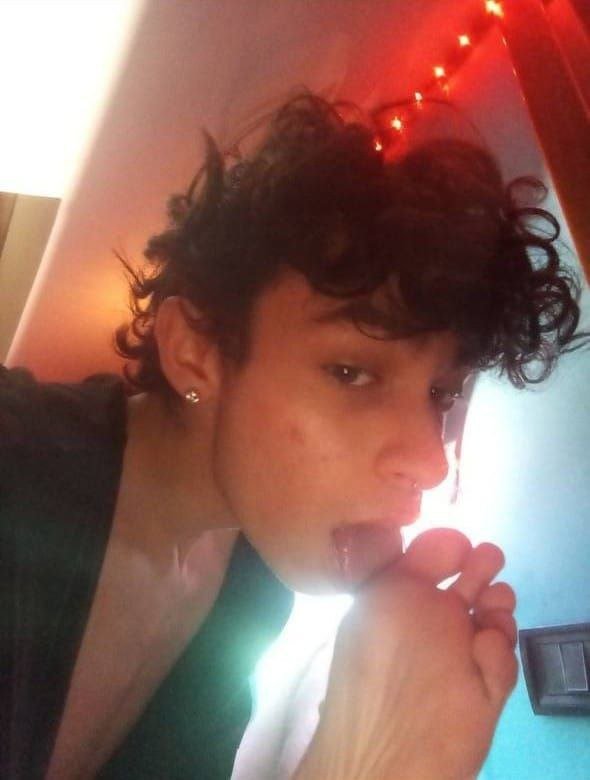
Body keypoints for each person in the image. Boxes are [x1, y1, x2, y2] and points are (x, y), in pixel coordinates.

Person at [0, 92, 584, 779]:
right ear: (195, 352)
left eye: (441, 392)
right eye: (350, 371)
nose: (430, 462)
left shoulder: (253, 587)